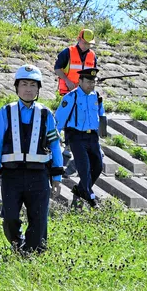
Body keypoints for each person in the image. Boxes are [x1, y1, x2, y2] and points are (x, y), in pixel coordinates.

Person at [0, 66, 64, 253]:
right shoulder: (6, 112)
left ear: (38, 89)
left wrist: (57, 177)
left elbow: (55, 146)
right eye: (24, 84)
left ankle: (31, 253)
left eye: (32, 85)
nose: (28, 89)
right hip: (11, 175)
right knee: (10, 218)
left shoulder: (46, 114)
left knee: (38, 218)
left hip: (38, 175)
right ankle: (18, 244)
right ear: (17, 87)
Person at [54, 67, 105, 208]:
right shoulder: (71, 97)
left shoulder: (96, 96)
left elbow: (101, 114)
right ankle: (90, 197)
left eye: (93, 82)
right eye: (88, 81)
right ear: (80, 81)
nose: (91, 85)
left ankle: (82, 188)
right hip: (76, 137)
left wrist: (102, 132)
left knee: (98, 166)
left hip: (92, 137)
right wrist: (55, 138)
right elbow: (59, 119)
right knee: (84, 168)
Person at [53, 28, 96, 95]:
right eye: (84, 43)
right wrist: (67, 81)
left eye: (89, 44)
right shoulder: (68, 52)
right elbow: (57, 68)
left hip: (84, 93)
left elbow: (93, 73)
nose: (86, 46)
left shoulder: (92, 55)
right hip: (66, 92)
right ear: (78, 39)